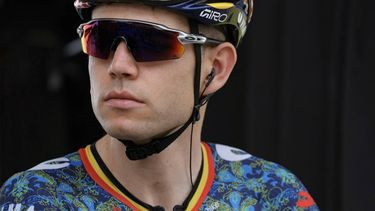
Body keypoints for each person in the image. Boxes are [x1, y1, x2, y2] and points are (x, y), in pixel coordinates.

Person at [0, 0, 319, 210]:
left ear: (217, 68)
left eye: (151, 42)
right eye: (100, 38)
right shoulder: (35, 198)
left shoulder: (275, 194)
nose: (119, 65)